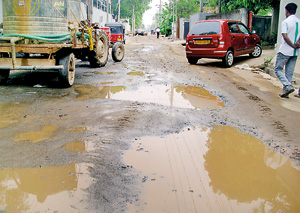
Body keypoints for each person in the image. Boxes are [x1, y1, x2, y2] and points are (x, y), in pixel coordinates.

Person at [274, 3, 300, 98]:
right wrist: (297, 44)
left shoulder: (285, 22)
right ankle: (286, 93)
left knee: (278, 69)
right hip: (295, 52)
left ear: (287, 11)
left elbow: (285, 36)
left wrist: (292, 45)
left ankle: (288, 86)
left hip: (285, 50)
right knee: (289, 73)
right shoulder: (299, 21)